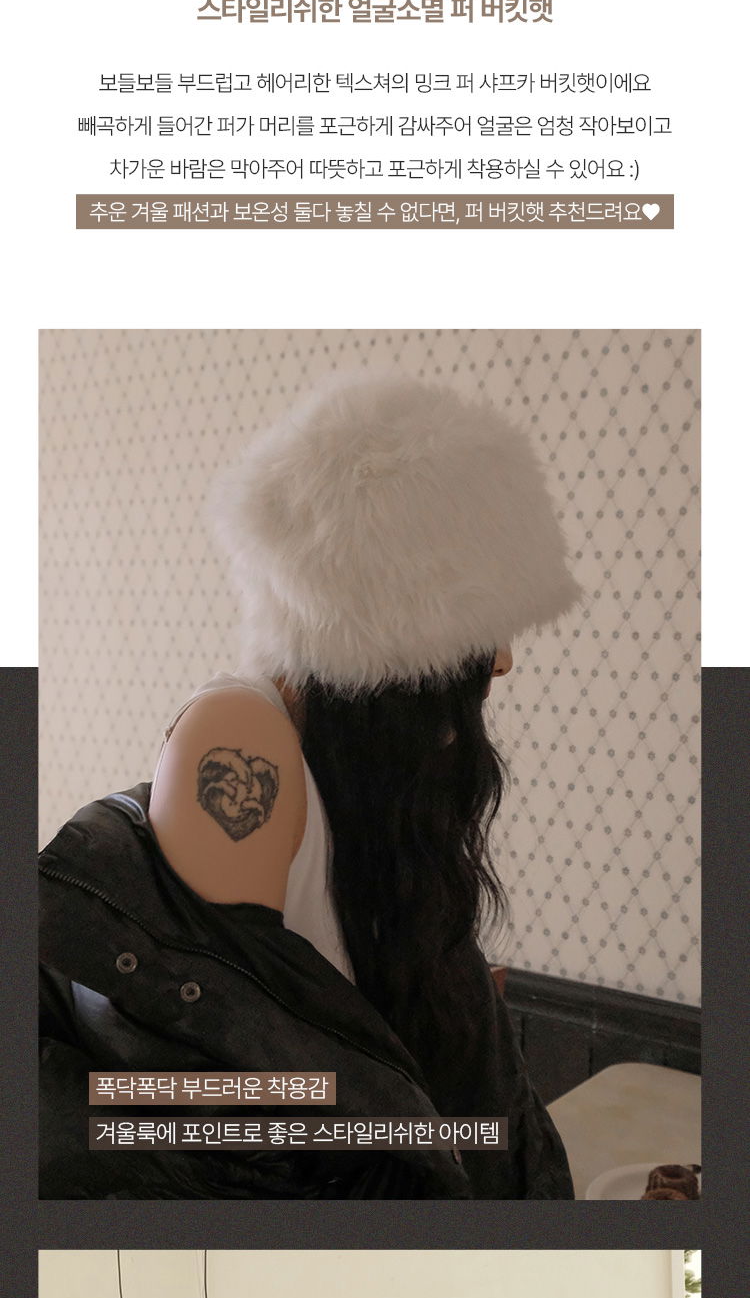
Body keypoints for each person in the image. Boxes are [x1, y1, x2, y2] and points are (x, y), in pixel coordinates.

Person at [39, 372, 576, 1200]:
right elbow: (241, 1080)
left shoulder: (361, 787)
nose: (502, 661)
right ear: (399, 633)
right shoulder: (240, 732)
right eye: (481, 633)